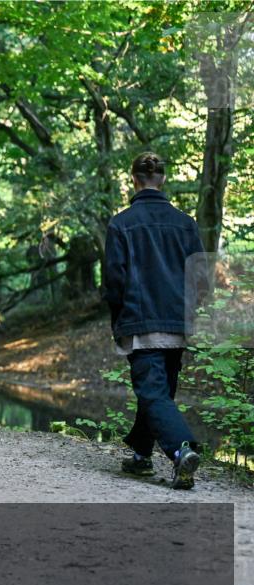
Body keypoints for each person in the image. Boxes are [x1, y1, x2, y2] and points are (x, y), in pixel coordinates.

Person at [103, 151, 206, 489]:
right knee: (159, 394)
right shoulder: (186, 223)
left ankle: (180, 452)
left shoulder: (121, 223)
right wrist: (189, 312)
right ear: (163, 179)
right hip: (177, 324)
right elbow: (201, 279)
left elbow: (114, 282)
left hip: (141, 322)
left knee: (154, 394)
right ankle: (141, 456)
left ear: (134, 179)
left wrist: (119, 318)